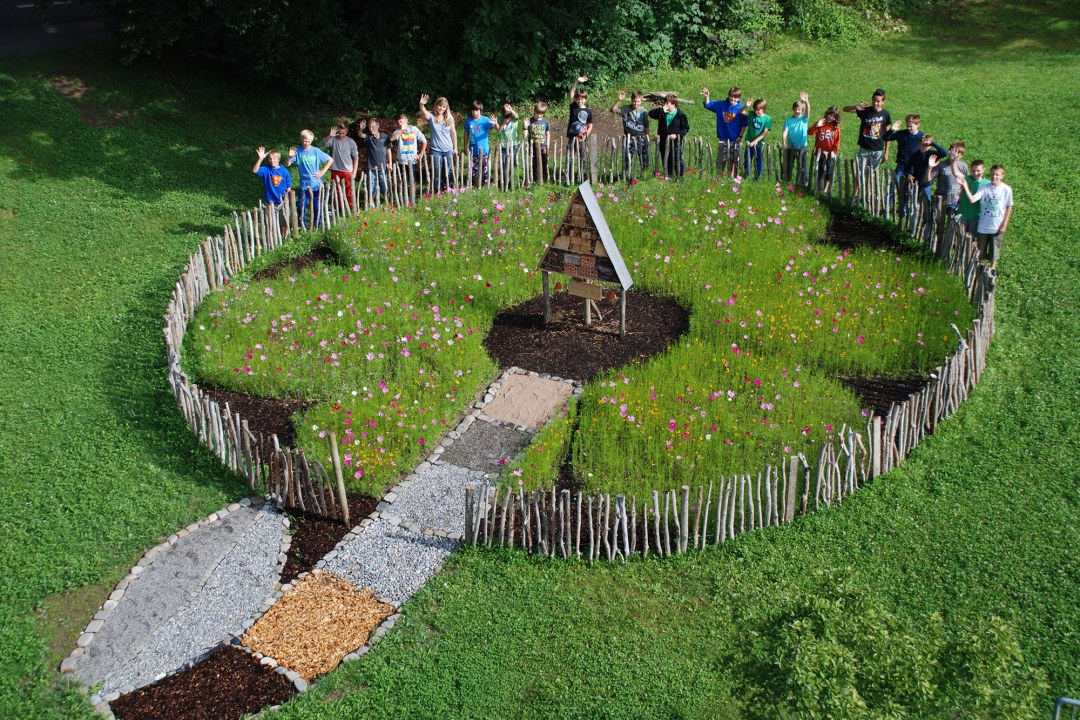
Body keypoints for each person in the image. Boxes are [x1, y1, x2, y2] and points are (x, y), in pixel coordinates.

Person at [958, 164, 1012, 270]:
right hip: (983, 226)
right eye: (992, 174)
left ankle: (992, 270)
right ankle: (979, 268)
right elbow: (973, 199)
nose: (994, 177)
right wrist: (965, 186)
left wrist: (1004, 224)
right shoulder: (985, 187)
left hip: (996, 226)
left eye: (997, 175)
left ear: (1002, 176)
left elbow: (1008, 207)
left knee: (994, 251)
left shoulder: (1006, 189)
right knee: (980, 250)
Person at [843, 88, 892, 193]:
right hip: (864, 148)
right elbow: (845, 109)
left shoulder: (885, 114)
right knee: (859, 173)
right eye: (874, 100)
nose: (875, 103)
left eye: (878, 101)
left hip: (878, 150)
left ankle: (868, 196)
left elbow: (888, 135)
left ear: (883, 101)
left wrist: (886, 152)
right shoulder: (866, 111)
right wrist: (856, 106)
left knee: (872, 175)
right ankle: (856, 194)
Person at [882, 114, 928, 216]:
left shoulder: (921, 136)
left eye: (911, 126)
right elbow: (885, 138)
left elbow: (926, 150)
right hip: (901, 165)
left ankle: (904, 210)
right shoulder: (902, 134)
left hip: (913, 167)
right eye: (907, 125)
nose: (908, 128)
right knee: (894, 185)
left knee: (908, 189)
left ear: (918, 125)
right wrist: (892, 130)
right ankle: (887, 207)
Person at [286, 129, 333, 227]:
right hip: (304, 184)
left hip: (316, 183)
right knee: (301, 206)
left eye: (308, 141)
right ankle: (301, 225)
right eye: (305, 141)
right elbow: (287, 164)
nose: (306, 143)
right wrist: (289, 157)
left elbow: (330, 160)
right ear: (301, 139)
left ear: (311, 141)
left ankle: (318, 224)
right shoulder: (298, 151)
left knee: (317, 206)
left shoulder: (316, 151)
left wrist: (322, 172)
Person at [702, 86, 745, 176]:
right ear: (729, 95)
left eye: (736, 97)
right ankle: (718, 178)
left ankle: (732, 179)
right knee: (720, 161)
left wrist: (740, 136)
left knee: (732, 162)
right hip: (723, 138)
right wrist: (706, 97)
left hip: (734, 139)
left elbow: (744, 124)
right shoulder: (721, 105)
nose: (733, 99)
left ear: (739, 98)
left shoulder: (741, 109)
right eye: (731, 96)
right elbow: (709, 105)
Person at [419, 94, 458, 192]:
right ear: (436, 105)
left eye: (444, 106)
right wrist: (421, 104)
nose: (441, 108)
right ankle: (437, 190)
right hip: (436, 150)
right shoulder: (431, 116)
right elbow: (424, 112)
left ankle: (448, 189)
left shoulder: (449, 118)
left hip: (448, 149)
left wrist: (455, 148)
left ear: (446, 108)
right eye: (440, 105)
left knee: (447, 171)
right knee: (437, 172)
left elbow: (453, 133)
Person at [647, 94, 689, 178]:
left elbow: (685, 128)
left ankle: (679, 177)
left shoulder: (681, 115)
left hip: (675, 143)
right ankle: (668, 175)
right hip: (663, 141)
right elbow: (650, 114)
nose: (665, 105)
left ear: (673, 104)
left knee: (677, 160)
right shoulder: (662, 113)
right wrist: (661, 109)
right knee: (666, 159)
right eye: (664, 102)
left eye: (667, 103)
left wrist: (677, 135)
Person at [610, 90, 650, 177]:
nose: (636, 103)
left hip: (641, 137)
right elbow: (613, 110)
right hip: (629, 137)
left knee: (643, 157)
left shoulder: (644, 111)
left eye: (638, 101)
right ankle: (625, 175)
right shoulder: (625, 109)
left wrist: (647, 136)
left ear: (641, 101)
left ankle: (645, 175)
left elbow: (646, 125)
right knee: (627, 157)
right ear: (631, 100)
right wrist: (619, 100)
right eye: (635, 101)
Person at [321, 122, 359, 209]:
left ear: (347, 132)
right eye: (339, 133)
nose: (341, 135)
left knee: (349, 190)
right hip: (336, 169)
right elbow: (323, 144)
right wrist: (330, 135)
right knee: (336, 190)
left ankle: (350, 207)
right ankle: (338, 208)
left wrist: (354, 172)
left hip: (347, 170)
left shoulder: (351, 141)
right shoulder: (333, 139)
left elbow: (356, 157)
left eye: (343, 133)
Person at [390, 113, 427, 203]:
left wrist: (421, 153)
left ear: (406, 120)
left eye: (401, 121)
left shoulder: (414, 129)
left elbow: (424, 141)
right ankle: (405, 199)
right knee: (403, 181)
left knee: (412, 181)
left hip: (412, 161)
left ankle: (413, 199)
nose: (399, 123)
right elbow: (391, 139)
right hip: (402, 161)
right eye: (398, 121)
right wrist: (400, 131)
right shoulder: (398, 130)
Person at [926, 141, 968, 214]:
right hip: (941, 200)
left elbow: (966, 183)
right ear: (949, 152)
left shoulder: (963, 166)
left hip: (955, 201)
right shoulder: (941, 165)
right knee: (938, 222)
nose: (954, 155)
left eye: (957, 153)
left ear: (961, 155)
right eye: (953, 152)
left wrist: (961, 198)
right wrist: (930, 168)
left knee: (952, 223)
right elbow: (928, 180)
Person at [358, 117, 391, 207]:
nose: (371, 129)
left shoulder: (385, 137)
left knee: (384, 185)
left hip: (383, 167)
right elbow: (361, 135)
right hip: (371, 167)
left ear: (378, 126)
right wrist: (361, 128)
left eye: (373, 127)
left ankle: (386, 203)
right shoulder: (369, 137)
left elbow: (388, 150)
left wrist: (390, 163)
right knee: (371, 186)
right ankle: (372, 205)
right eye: (369, 127)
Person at [808, 106, 841, 195]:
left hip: (830, 154)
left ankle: (826, 190)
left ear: (836, 118)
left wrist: (834, 152)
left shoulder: (836, 127)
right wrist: (816, 125)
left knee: (829, 173)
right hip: (820, 153)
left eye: (834, 117)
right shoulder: (821, 123)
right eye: (830, 115)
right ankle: (818, 189)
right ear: (827, 114)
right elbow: (809, 132)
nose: (831, 118)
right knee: (820, 171)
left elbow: (837, 141)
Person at [567, 76, 594, 177]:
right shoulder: (573, 107)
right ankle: (569, 174)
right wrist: (577, 81)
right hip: (572, 136)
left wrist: (585, 135)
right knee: (570, 156)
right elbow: (571, 92)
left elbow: (590, 125)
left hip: (583, 137)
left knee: (582, 156)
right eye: (578, 99)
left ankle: (580, 174)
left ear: (585, 100)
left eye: (582, 99)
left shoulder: (588, 111)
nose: (579, 101)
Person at [464, 101, 497, 185]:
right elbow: (466, 134)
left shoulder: (485, 120)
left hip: (484, 150)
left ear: (480, 110)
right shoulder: (468, 121)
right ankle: (475, 184)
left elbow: (496, 128)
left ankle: (485, 184)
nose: (475, 112)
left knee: (485, 168)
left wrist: (495, 123)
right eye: (473, 110)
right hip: (473, 150)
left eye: (477, 110)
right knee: (474, 169)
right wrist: (465, 146)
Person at [781, 92, 810, 186]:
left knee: (802, 165)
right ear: (793, 109)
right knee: (789, 164)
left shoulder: (803, 119)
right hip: (790, 146)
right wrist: (784, 142)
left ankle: (804, 183)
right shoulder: (788, 120)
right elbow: (785, 132)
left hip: (802, 146)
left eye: (799, 109)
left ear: (802, 110)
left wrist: (806, 102)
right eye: (796, 109)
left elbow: (808, 113)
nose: (797, 111)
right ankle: (787, 181)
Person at [956, 159, 987, 236]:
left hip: (976, 217)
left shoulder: (987, 184)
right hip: (963, 215)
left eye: (978, 170)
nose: (975, 173)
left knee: (971, 240)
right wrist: (953, 162)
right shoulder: (967, 178)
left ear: (984, 170)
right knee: (959, 237)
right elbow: (956, 172)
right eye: (973, 171)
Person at [742, 98, 771, 180]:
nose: (756, 112)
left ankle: (758, 177)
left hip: (759, 144)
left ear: (763, 109)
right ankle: (746, 175)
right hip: (749, 142)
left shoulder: (767, 118)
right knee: (747, 159)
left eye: (758, 110)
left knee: (759, 161)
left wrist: (755, 141)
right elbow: (741, 111)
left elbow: (765, 132)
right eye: (755, 110)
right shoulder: (751, 114)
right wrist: (745, 106)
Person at [523, 102, 551, 183]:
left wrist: (547, 145)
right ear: (534, 111)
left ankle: (544, 179)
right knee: (534, 164)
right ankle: (534, 179)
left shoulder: (545, 122)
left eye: (542, 113)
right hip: (533, 148)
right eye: (538, 113)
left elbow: (547, 133)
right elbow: (524, 136)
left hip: (543, 147)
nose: (539, 115)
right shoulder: (530, 121)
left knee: (544, 163)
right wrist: (525, 127)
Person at [497, 103, 521, 182]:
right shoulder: (501, 118)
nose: (508, 118)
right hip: (504, 145)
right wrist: (504, 122)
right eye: (505, 116)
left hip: (513, 144)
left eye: (508, 116)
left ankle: (513, 180)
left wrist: (510, 110)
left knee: (513, 162)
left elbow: (517, 116)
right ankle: (505, 180)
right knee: (504, 164)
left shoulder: (514, 118)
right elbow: (499, 131)